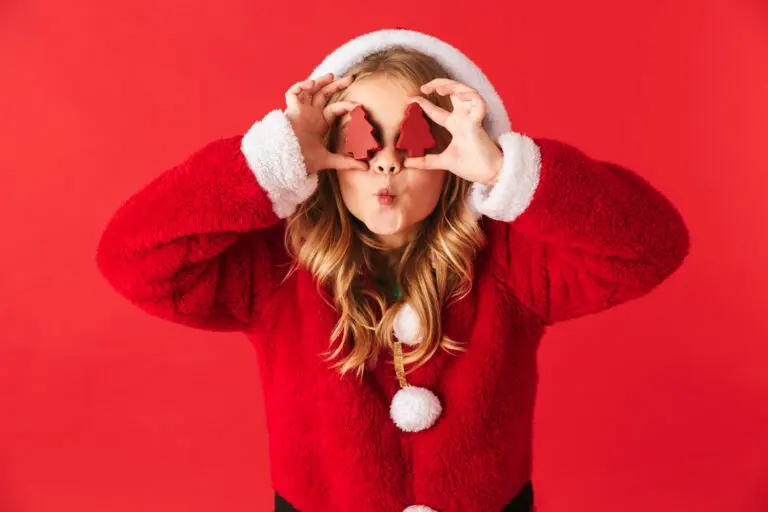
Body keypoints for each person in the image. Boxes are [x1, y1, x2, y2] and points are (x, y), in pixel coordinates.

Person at [95, 28, 690, 512]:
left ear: (457, 152)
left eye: (415, 139)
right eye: (358, 141)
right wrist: (267, 164)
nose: (384, 164)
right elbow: (132, 260)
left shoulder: (512, 263)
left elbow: (651, 246)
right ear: (322, 154)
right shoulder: (277, 269)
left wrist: (504, 170)